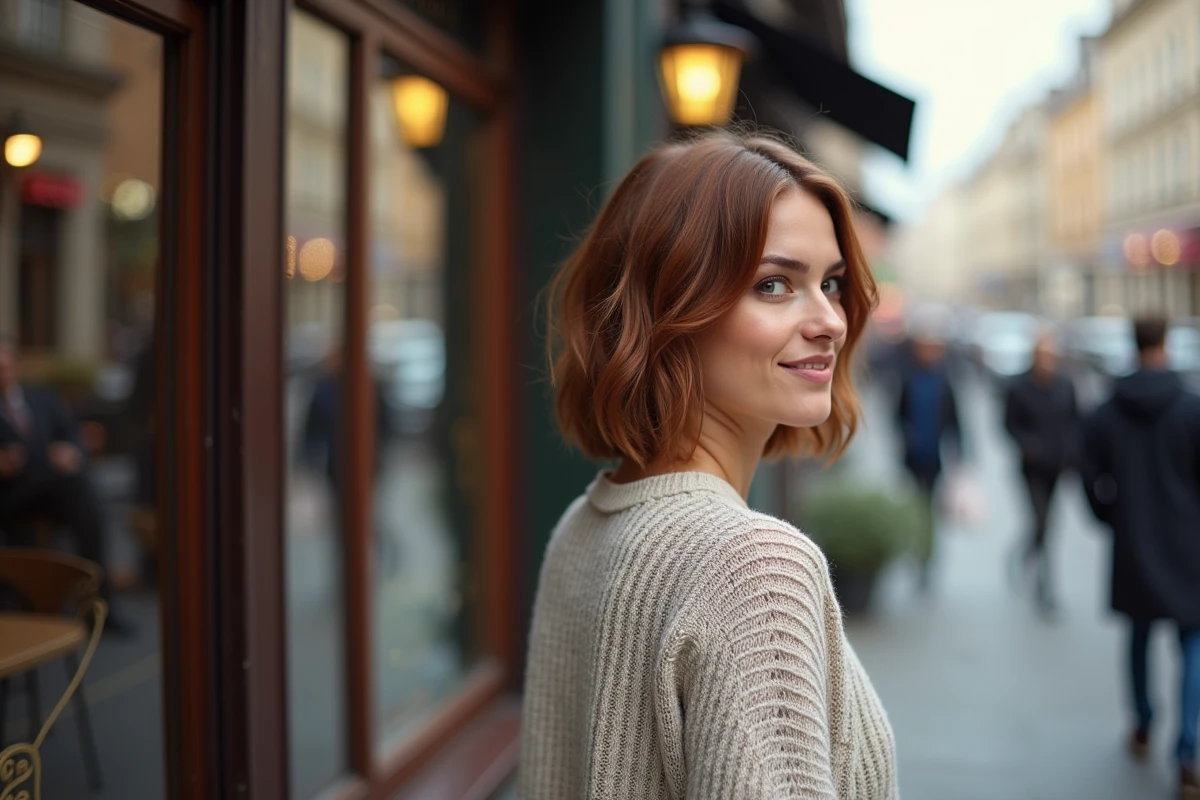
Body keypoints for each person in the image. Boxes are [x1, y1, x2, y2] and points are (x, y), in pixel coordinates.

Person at [520, 132, 897, 798]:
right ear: (670, 308)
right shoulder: (756, 569)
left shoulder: (582, 527)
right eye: (774, 285)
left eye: (831, 283)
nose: (831, 321)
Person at [1081, 315, 1200, 798]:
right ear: (1165, 345)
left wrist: (1110, 517)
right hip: (1190, 544)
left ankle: (1143, 724)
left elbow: (1088, 474)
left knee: (1139, 635)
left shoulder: (1107, 410)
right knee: (1193, 644)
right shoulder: (1192, 408)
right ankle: (1187, 753)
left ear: (1133, 346)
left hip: (1133, 540)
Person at [0, 339, 133, 635]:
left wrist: (72, 451)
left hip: (54, 489)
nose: (2, 374)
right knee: (77, 486)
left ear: (16, 367)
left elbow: (72, 431)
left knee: (80, 489)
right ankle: (94, 599)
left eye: (5, 366)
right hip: (11, 494)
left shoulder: (41, 399)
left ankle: (98, 597)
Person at [1003, 329, 1079, 618]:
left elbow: (1076, 422)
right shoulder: (1020, 387)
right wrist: (1028, 445)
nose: (1047, 360)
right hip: (1032, 469)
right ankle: (1045, 586)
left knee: (1049, 526)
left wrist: (1073, 454)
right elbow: (1009, 424)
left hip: (1057, 467)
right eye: (1043, 355)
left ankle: (1025, 557)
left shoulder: (1065, 386)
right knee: (1041, 522)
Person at [894, 329, 963, 590]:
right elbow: (897, 415)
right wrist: (906, 435)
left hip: (935, 457)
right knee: (916, 506)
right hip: (913, 457)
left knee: (929, 508)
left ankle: (927, 558)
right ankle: (917, 552)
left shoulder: (944, 382)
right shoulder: (909, 379)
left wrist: (960, 454)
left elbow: (955, 421)